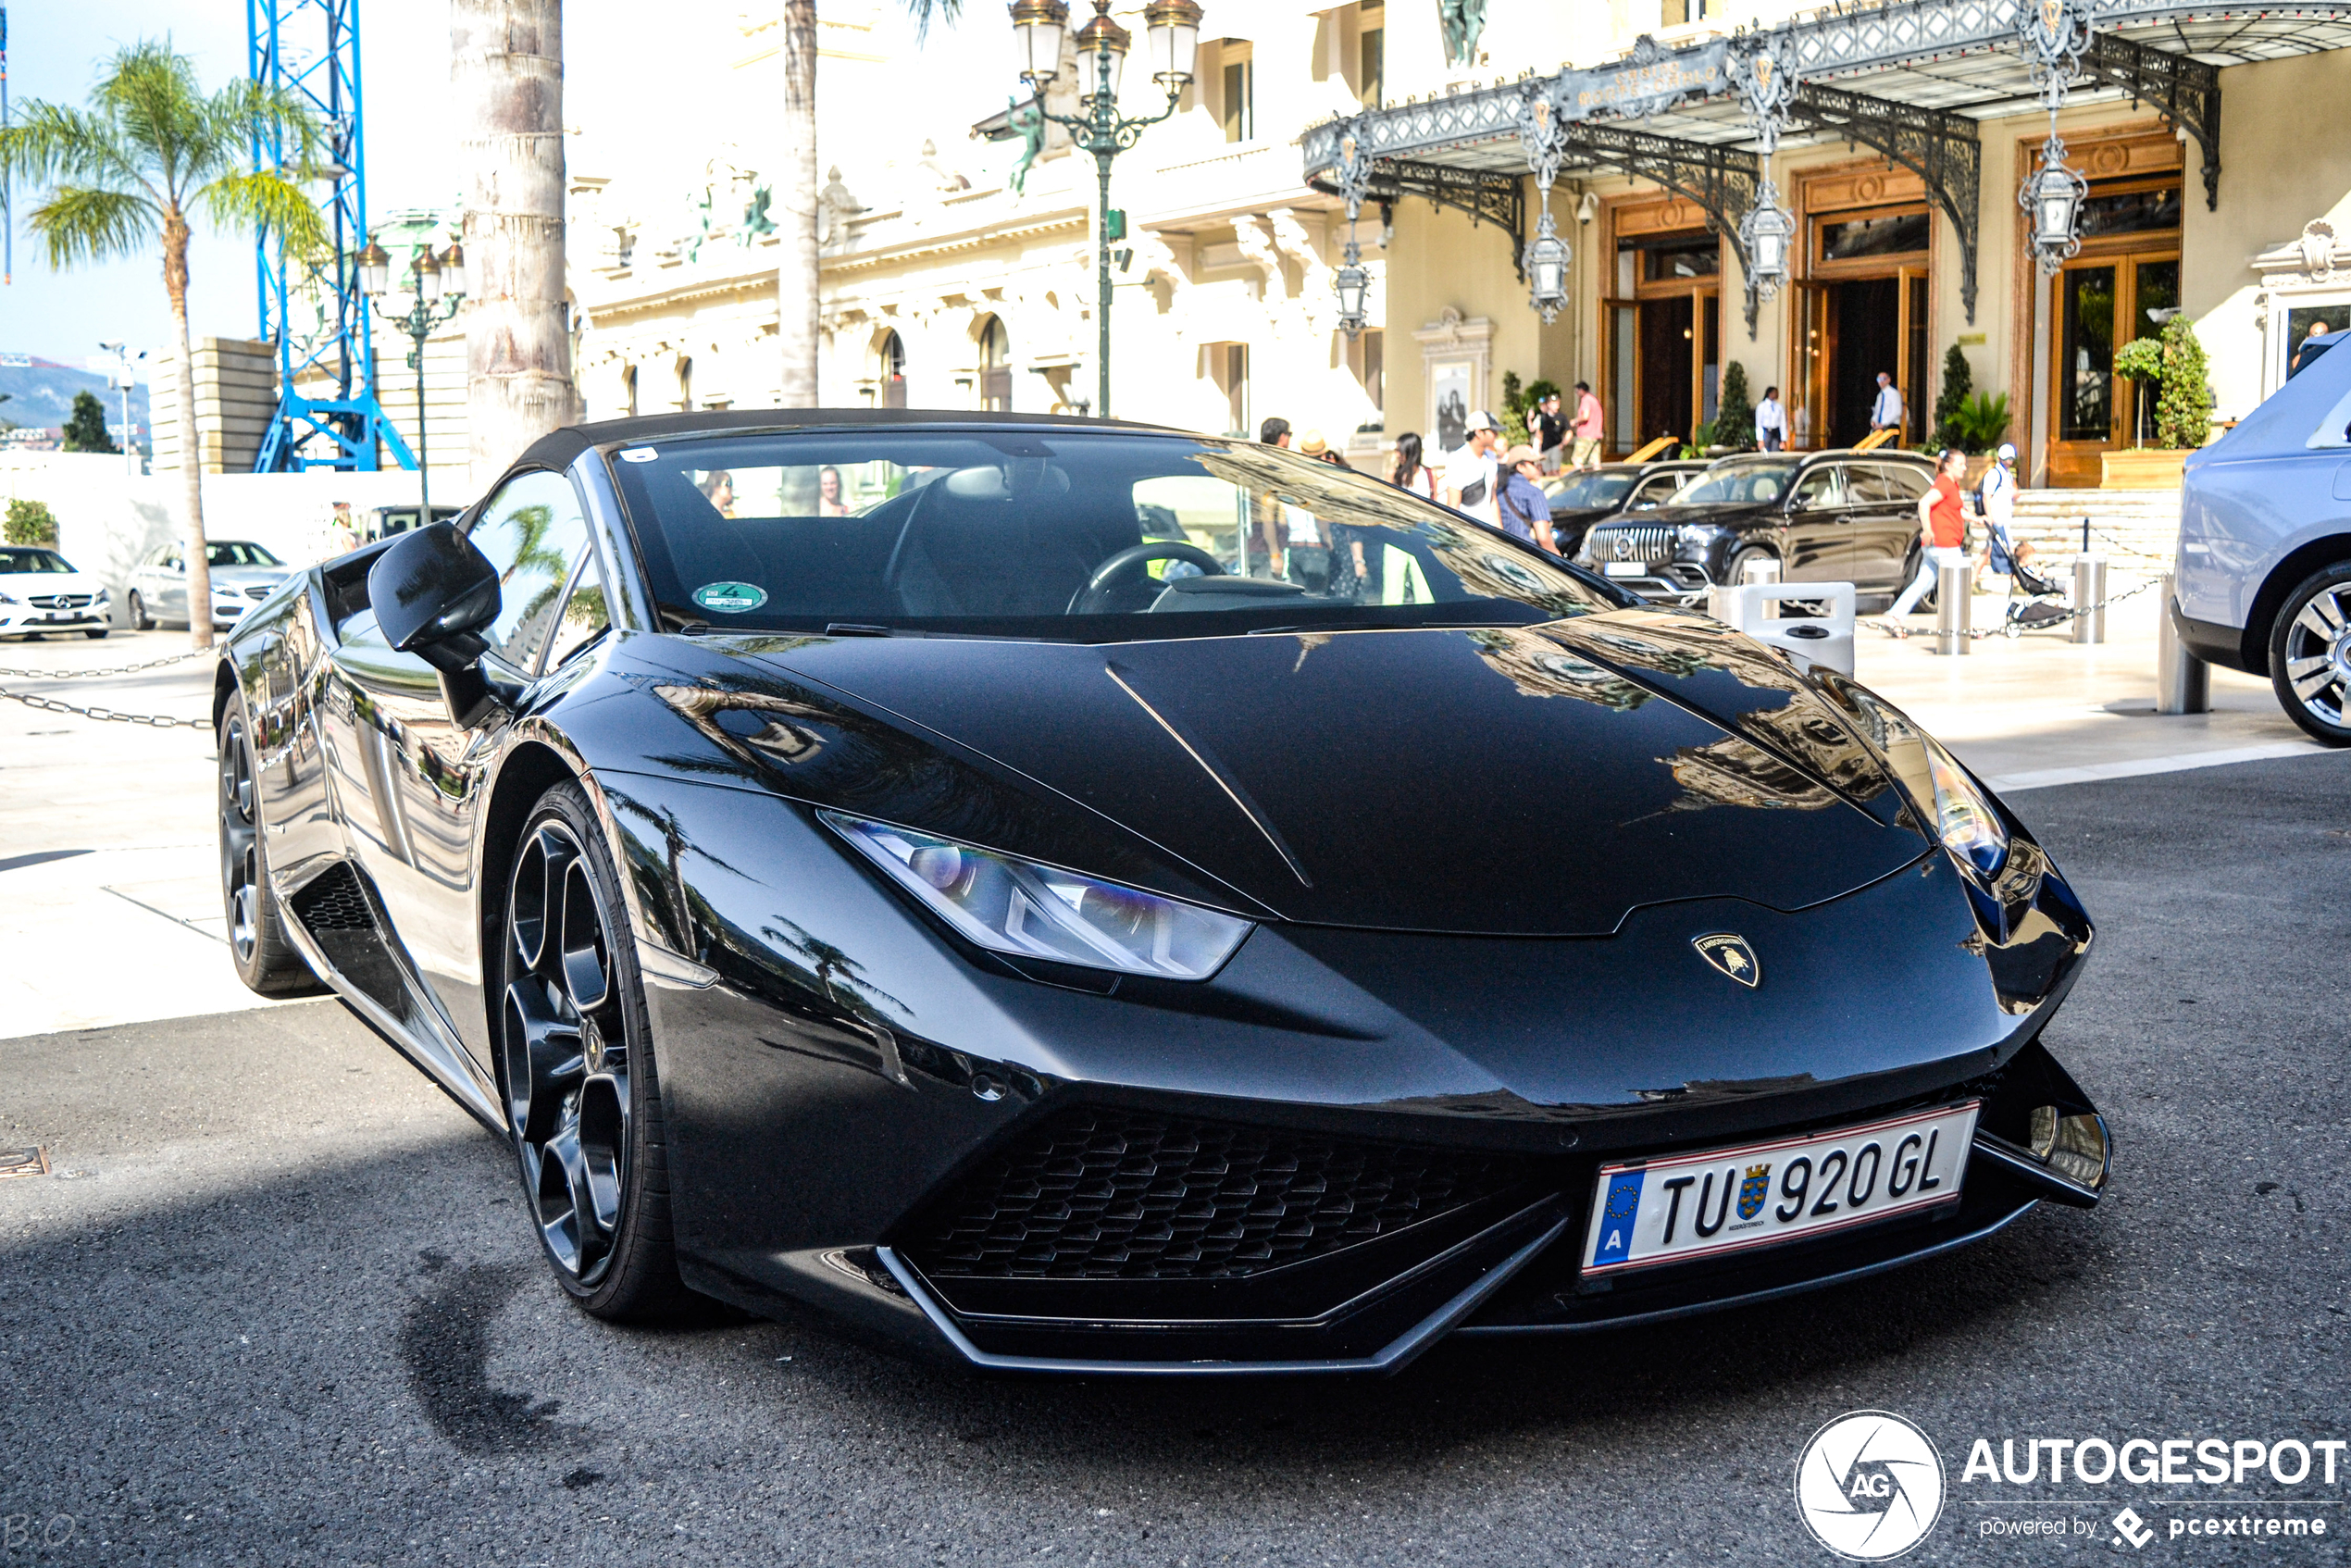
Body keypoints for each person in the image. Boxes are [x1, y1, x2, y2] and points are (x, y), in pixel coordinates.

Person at [1889, 448, 1971, 619]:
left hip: (1935, 546)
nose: (1964, 468)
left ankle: (1895, 616)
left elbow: (1955, 510)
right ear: (1948, 466)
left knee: (1922, 583)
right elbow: (1924, 503)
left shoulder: (1950, 484)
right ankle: (1960, 624)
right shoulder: (1945, 483)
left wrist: (1976, 519)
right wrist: (1927, 530)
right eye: (1961, 464)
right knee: (1958, 583)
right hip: (1945, 545)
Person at [1974, 442, 2037, 591]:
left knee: (1989, 549)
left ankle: (1973, 578)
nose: (2008, 461)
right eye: (2006, 458)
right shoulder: (1994, 474)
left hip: (2004, 518)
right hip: (1997, 519)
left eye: (2010, 459)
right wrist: (1989, 516)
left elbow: (2012, 494)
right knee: (2007, 549)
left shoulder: (2008, 475)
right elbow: (1986, 496)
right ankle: (2016, 581)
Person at [1441, 409, 1503, 527]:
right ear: (1479, 432)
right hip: (1468, 533)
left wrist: (1500, 529)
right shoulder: (1458, 459)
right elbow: (1453, 505)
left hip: (1489, 533)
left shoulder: (1491, 457)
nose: (1497, 434)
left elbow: (1492, 498)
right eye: (1493, 431)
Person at [1495, 444, 1558, 553]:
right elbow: (1543, 536)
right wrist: (1558, 558)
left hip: (1503, 550)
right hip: (1527, 553)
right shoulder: (1534, 493)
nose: (1538, 467)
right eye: (1533, 464)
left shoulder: (1499, 491)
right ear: (1520, 467)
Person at [1390, 431, 1438, 500]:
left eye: (1401, 451)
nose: (1397, 455)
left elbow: (1434, 504)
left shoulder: (1430, 474)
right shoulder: (1394, 474)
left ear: (1411, 453)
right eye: (1396, 451)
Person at [1570, 381, 1605, 470]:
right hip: (1596, 435)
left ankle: (1580, 481)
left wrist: (1575, 421)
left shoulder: (1586, 399)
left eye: (1577, 392)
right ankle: (1599, 481)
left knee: (1577, 460)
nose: (1577, 394)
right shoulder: (1595, 400)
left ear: (1582, 390)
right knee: (1595, 462)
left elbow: (1585, 416)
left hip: (1586, 435)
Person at [1534, 391, 1568, 466]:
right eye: (1553, 403)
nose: (1556, 405)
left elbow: (1569, 431)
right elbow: (1540, 432)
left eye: (1557, 403)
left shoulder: (1562, 417)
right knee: (1547, 470)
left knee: (1555, 470)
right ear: (1549, 404)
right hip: (1545, 447)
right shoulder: (1544, 417)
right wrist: (1539, 445)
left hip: (1556, 447)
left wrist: (1563, 444)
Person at [1870, 372, 1905, 439]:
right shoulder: (1880, 395)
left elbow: (1897, 412)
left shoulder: (1894, 393)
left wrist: (1883, 424)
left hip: (1891, 427)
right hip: (1879, 428)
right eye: (1879, 379)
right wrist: (1874, 420)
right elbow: (1877, 412)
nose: (1881, 381)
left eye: (1883, 379)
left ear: (1889, 380)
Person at [1755, 386, 1787, 452]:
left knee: (1775, 451)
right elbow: (1759, 423)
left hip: (1776, 431)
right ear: (1769, 393)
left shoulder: (1779, 407)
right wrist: (1760, 439)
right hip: (1766, 431)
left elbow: (1782, 423)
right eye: (1775, 392)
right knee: (1765, 451)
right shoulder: (1761, 406)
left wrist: (1783, 439)